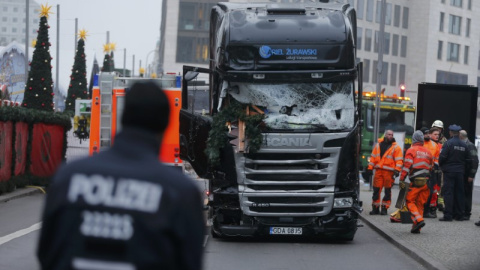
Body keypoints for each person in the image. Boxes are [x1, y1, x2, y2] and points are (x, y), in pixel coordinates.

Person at [37, 81, 205, 270]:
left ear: (123, 117)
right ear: (166, 125)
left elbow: (47, 253)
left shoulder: (68, 178)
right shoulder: (180, 192)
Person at [399, 130, 434, 233]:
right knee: (420, 205)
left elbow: (407, 166)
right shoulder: (428, 152)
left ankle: (419, 220)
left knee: (409, 201)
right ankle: (416, 228)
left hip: (415, 182)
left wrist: (402, 179)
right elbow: (431, 167)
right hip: (426, 183)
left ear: (414, 139)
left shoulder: (411, 150)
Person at [366, 129, 403, 215]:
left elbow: (399, 160)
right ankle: (375, 208)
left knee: (387, 191)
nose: (390, 136)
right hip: (379, 171)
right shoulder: (378, 145)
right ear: (385, 135)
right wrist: (370, 168)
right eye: (389, 134)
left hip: (388, 173)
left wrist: (397, 170)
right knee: (376, 191)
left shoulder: (396, 147)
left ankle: (384, 208)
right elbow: (373, 158)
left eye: (391, 135)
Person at [438, 124, 471, 221]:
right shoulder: (464, 145)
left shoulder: (448, 143)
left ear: (451, 132)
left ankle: (448, 215)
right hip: (460, 172)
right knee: (459, 193)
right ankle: (459, 215)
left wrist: (443, 167)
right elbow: (468, 159)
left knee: (448, 193)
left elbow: (442, 157)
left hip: (449, 172)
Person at [421, 127, 440, 218]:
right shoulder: (419, 144)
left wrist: (435, 167)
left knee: (430, 191)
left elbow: (436, 158)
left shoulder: (434, 145)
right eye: (426, 134)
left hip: (431, 171)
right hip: (420, 171)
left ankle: (426, 211)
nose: (427, 135)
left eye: (428, 133)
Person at [459, 130, 478, 221]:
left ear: (461, 136)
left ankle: (467, 213)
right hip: (463, 173)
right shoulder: (465, 145)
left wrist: (471, 175)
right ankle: (462, 212)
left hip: (467, 174)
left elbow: (475, 161)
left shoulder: (470, 146)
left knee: (467, 194)